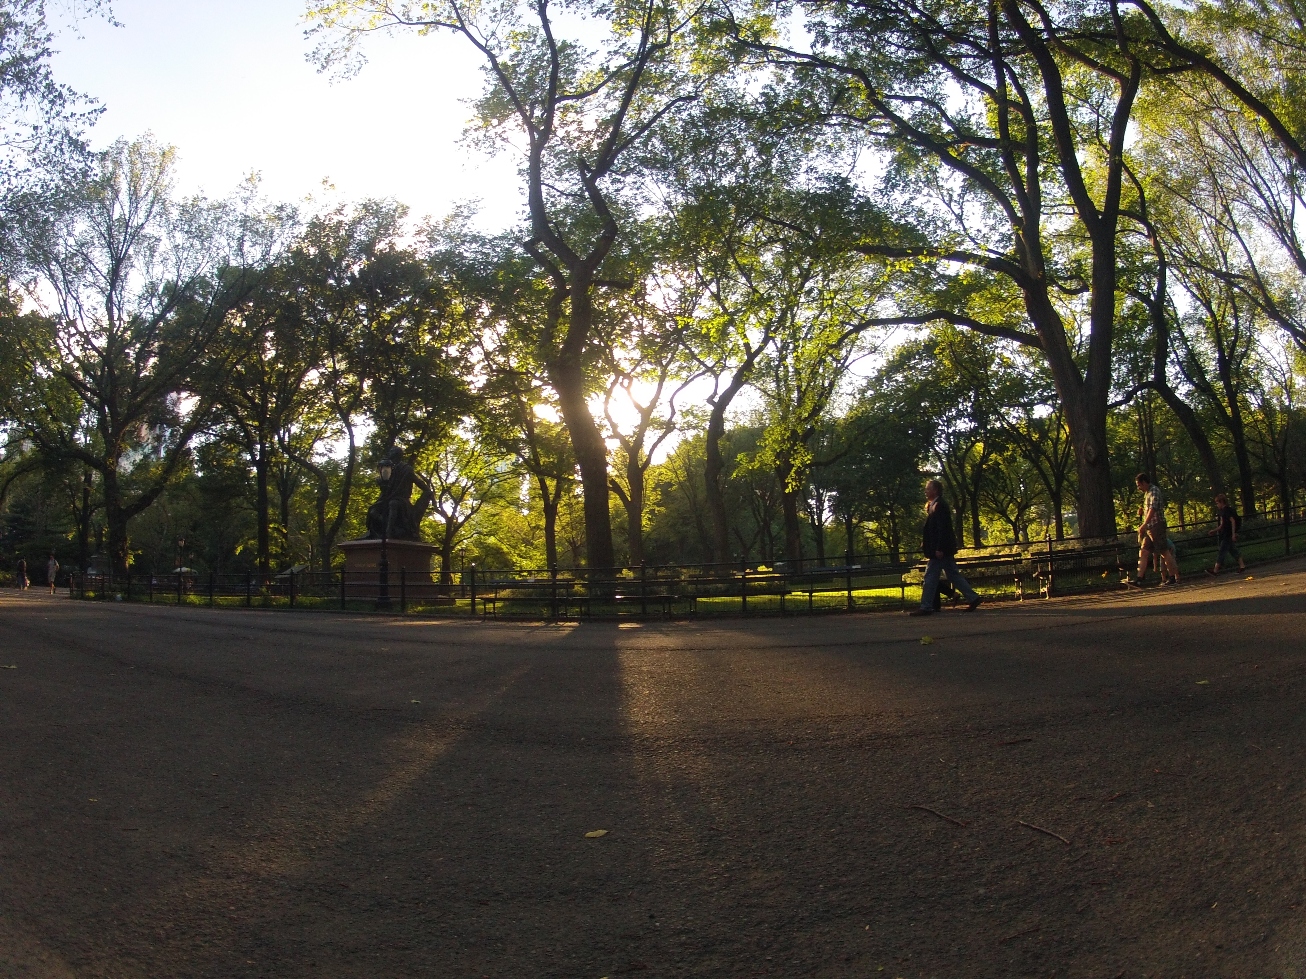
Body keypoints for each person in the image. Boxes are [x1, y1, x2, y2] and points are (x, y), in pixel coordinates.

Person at [909, 479, 982, 617]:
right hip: (943, 549)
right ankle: (973, 598)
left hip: (940, 551)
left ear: (935, 490)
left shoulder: (939, 505)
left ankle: (926, 606)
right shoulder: (936, 504)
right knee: (953, 575)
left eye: (928, 488)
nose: (926, 491)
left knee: (930, 577)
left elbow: (943, 529)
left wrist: (939, 548)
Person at [1132, 473, 1179, 587]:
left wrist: (1144, 524)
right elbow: (1148, 509)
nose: (1138, 488)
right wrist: (1142, 513)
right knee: (1143, 551)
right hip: (1149, 527)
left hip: (1156, 525)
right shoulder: (1147, 493)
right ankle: (1139, 579)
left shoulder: (1154, 491)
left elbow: (1153, 508)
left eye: (1139, 485)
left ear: (1144, 482)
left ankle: (1172, 577)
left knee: (1164, 551)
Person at [1206, 492, 1245, 576]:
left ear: (1221, 502)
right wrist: (1214, 530)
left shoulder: (1226, 511)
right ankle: (1242, 566)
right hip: (1226, 533)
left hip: (1228, 534)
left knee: (1222, 551)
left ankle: (1215, 570)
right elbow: (1222, 524)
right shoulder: (1223, 511)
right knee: (1233, 550)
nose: (1217, 505)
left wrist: (1233, 533)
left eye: (1217, 503)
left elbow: (1232, 521)